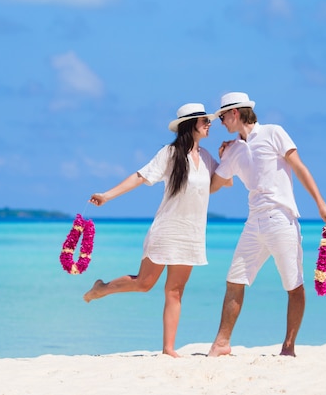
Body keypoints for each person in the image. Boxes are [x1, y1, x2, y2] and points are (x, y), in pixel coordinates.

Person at [84, 103, 225, 358]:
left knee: (175, 291)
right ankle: (101, 288)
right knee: (144, 283)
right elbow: (141, 176)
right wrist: (107, 195)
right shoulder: (170, 154)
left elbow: (216, 185)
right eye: (205, 120)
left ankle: (168, 349)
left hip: (192, 232)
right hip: (167, 228)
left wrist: (228, 159)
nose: (209, 124)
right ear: (190, 124)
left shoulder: (206, 157)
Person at [207, 92, 326, 357]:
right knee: (235, 279)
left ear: (236, 113)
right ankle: (221, 344)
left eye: (222, 116)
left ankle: (288, 347)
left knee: (293, 285)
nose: (220, 122)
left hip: (281, 219)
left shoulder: (274, 132)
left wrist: (320, 203)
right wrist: (221, 160)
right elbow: (214, 187)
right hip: (253, 222)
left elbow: (298, 167)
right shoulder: (232, 150)